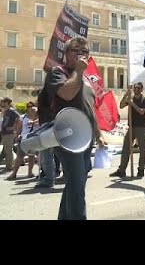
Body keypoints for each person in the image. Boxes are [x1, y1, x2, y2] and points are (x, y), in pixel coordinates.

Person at [44, 36, 107, 219]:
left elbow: (90, 110)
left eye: (85, 52)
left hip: (86, 138)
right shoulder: (58, 72)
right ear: (66, 54)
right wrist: (78, 72)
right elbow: (66, 93)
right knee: (77, 185)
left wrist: (99, 134)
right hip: (67, 137)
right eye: (76, 51)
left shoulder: (87, 82)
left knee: (75, 184)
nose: (81, 55)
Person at [110, 82, 145, 178]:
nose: (136, 89)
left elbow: (141, 112)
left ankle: (141, 170)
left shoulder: (144, 100)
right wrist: (126, 94)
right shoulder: (130, 97)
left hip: (140, 127)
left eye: (138, 88)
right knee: (126, 148)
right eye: (135, 88)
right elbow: (121, 105)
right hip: (131, 127)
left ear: (142, 89)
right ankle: (122, 170)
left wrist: (132, 103)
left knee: (142, 149)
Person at [6, 101, 39, 180]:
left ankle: (30, 172)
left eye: (32, 106)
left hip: (35, 138)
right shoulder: (23, 117)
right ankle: (14, 173)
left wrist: (34, 122)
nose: (30, 108)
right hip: (24, 138)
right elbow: (19, 127)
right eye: (28, 106)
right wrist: (17, 136)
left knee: (32, 156)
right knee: (19, 156)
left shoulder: (39, 117)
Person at [0, 97, 21, 172]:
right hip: (4, 132)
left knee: (8, 150)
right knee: (6, 149)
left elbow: (19, 118)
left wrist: (13, 127)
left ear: (6, 102)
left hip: (9, 133)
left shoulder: (12, 111)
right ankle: (9, 165)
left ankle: (9, 166)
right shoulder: (6, 111)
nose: (1, 103)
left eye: (3, 102)